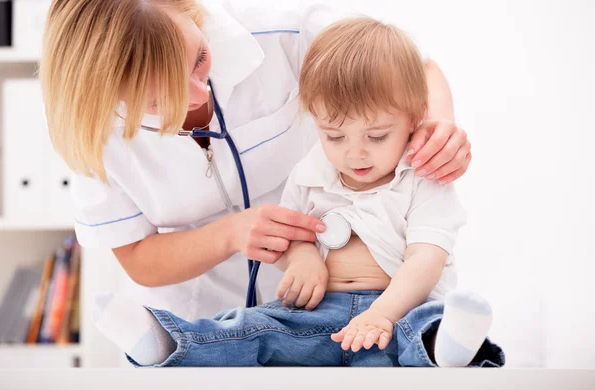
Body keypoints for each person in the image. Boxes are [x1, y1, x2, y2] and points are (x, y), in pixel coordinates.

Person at [92, 17, 505, 368]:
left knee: (425, 328)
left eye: (377, 136)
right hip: (316, 318)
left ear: (415, 117)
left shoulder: (424, 177)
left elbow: (426, 261)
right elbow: (295, 233)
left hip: (399, 312)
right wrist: (305, 259)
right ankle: (166, 341)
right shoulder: (312, 171)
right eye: (333, 135)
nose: (354, 153)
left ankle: (447, 350)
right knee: (253, 328)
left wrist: (381, 316)